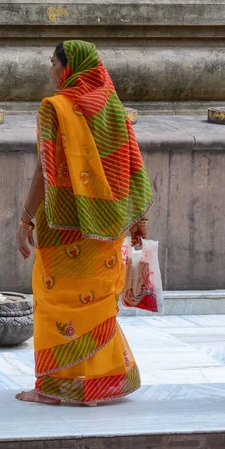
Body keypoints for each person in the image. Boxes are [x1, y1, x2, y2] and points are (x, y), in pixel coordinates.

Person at [15, 40, 153, 405]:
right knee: (93, 302)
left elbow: (44, 175)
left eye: (52, 63)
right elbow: (130, 163)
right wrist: (138, 218)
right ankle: (100, 382)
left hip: (63, 226)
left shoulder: (56, 108)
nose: (50, 71)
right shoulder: (112, 106)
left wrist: (25, 220)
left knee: (54, 301)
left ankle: (53, 388)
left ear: (68, 67)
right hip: (106, 225)